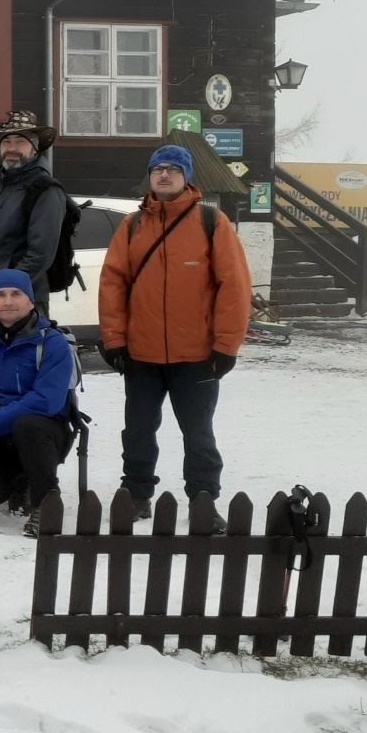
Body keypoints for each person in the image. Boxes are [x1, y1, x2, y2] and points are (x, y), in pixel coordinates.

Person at [98, 145, 250, 528]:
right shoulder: (132, 225)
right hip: (142, 354)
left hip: (197, 355)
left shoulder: (211, 222)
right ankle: (136, 494)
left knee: (199, 433)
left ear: (187, 177)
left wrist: (226, 344)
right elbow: (113, 285)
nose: (164, 175)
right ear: (150, 177)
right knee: (138, 430)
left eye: (173, 169)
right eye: (158, 169)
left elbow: (234, 287)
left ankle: (203, 499)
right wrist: (114, 340)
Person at [0, 269, 76, 537]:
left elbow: (46, 400)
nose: (8, 301)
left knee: (27, 424)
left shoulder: (52, 343)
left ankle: (46, 504)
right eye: (0, 294)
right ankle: (21, 480)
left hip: (44, 432)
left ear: (31, 301)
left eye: (16, 294)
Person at [0, 112, 65, 316]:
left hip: (18, 303)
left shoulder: (44, 189)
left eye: (20, 141)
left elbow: (39, 256)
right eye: (6, 141)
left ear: (35, 147)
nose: (12, 148)